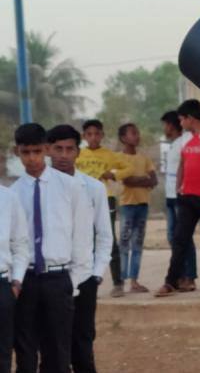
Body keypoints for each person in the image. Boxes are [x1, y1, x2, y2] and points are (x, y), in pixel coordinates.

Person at [10, 123, 93, 373]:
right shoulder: (14, 193)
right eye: (26, 153)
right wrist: (16, 279)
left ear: (46, 149)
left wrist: (73, 280)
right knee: (25, 349)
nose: (32, 158)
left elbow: (82, 237)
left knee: (58, 350)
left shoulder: (70, 187)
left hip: (59, 277)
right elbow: (14, 241)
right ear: (17, 152)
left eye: (37, 151)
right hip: (26, 279)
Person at [47, 125, 113, 373]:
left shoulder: (93, 188)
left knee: (83, 346)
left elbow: (105, 235)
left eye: (69, 149)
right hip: (48, 278)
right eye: (58, 149)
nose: (63, 155)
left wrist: (96, 273)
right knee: (51, 345)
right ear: (48, 150)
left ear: (78, 152)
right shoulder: (38, 189)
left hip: (84, 278)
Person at [156, 99, 200, 296]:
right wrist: (179, 189)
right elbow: (183, 164)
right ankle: (171, 281)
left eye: (182, 120)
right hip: (187, 198)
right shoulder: (184, 139)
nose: (180, 124)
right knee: (179, 240)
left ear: (190, 119)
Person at [75, 119, 132, 298]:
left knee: (109, 239)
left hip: (105, 200)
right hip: (81, 201)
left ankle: (118, 283)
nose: (93, 137)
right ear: (84, 136)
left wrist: (113, 174)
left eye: (97, 134)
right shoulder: (78, 154)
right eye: (89, 134)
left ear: (102, 135)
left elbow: (128, 168)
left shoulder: (108, 155)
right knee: (85, 240)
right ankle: (88, 282)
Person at [116, 123, 157, 294]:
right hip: (127, 205)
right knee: (124, 243)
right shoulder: (118, 158)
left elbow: (154, 181)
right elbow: (126, 181)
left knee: (138, 243)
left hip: (142, 204)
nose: (137, 136)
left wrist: (136, 179)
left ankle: (134, 281)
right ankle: (121, 280)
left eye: (137, 132)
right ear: (124, 138)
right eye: (133, 133)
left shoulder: (144, 158)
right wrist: (143, 180)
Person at [160, 111, 197, 292]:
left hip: (180, 196)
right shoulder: (174, 144)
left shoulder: (186, 141)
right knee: (173, 237)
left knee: (183, 238)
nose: (164, 129)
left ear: (171, 125)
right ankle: (180, 274)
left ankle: (189, 276)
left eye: (165, 125)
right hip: (170, 196)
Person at [0, 184, 28, 373]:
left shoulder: (9, 198)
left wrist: (16, 281)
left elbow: (20, 244)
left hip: (2, 285)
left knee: (2, 353)